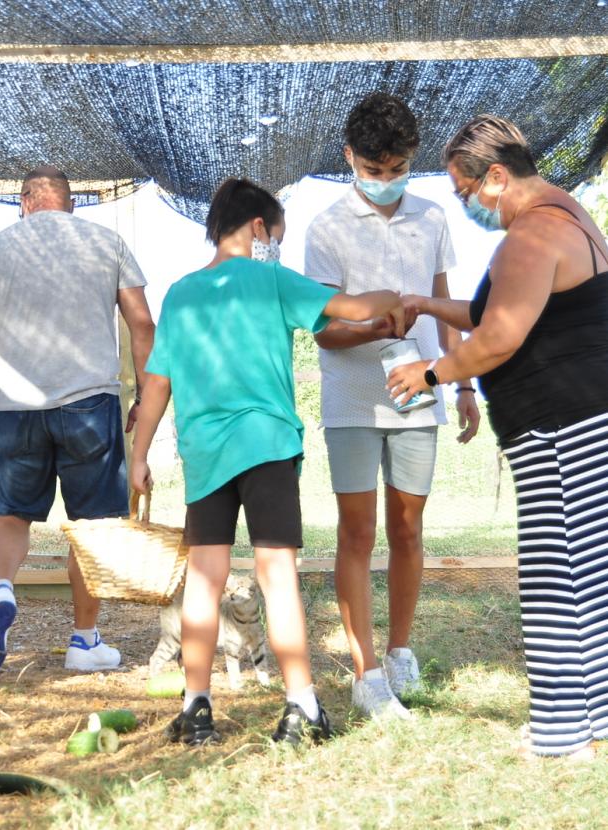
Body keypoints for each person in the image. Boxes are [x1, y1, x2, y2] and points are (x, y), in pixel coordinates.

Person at [130, 177, 406, 746]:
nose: (274, 244)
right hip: (269, 444)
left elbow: (156, 382)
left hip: (206, 452)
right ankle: (301, 704)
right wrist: (398, 299)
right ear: (258, 227)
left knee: (204, 581)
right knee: (277, 576)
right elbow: (351, 308)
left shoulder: (181, 292)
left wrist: (138, 455)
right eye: (274, 233)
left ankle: (196, 706)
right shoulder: (273, 278)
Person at [388, 115, 608, 759]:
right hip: (579, 418)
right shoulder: (572, 219)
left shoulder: (533, 234)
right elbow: (500, 313)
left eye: (465, 193)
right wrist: (428, 306)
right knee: (587, 576)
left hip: (564, 426)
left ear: (496, 176)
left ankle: (560, 733)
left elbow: (500, 338)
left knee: (557, 579)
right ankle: (590, 723)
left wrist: (430, 371)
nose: (465, 207)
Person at [303, 92, 480, 719]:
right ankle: (366, 672)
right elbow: (322, 329)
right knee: (357, 533)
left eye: (397, 168)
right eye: (374, 171)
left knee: (407, 529)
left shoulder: (433, 219)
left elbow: (445, 302)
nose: (385, 181)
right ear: (350, 157)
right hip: (352, 399)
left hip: (420, 394)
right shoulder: (325, 227)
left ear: (412, 160)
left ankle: (400, 651)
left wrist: (460, 384)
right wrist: (379, 327)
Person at [0, 165, 156, 673]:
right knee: (92, 528)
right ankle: (84, 642)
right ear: (70, 203)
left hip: (19, 409)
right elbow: (142, 322)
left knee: (11, 514)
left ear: (24, 203)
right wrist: (147, 394)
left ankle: (0, 590)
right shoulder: (107, 242)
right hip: (90, 405)